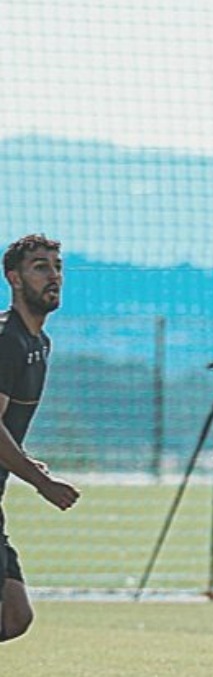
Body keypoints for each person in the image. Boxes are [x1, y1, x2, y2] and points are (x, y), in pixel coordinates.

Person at [0, 234, 79, 642]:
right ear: (14, 279)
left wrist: (23, 458)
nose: (54, 276)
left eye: (58, 266)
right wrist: (39, 480)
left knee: (14, 615)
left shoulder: (39, 343)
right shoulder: (5, 340)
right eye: (40, 267)